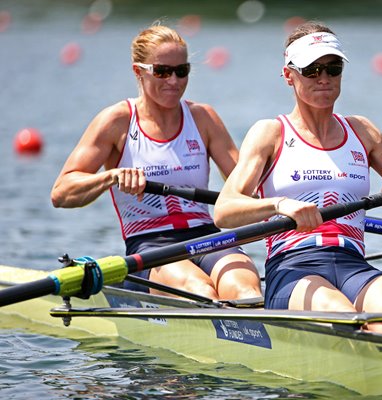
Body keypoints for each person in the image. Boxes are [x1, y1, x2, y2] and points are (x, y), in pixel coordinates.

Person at [214, 21, 382, 341]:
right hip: (293, 269)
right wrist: (280, 204)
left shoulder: (362, 131)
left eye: (333, 68)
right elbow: (224, 211)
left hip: (353, 265)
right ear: (288, 75)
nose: (323, 78)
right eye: (311, 70)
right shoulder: (271, 133)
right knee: (342, 314)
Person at [51, 23, 262, 301]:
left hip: (208, 235)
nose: (173, 81)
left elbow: (245, 188)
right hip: (150, 244)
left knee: (245, 290)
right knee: (200, 291)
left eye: (181, 71)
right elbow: (61, 193)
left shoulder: (203, 118)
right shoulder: (116, 121)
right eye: (162, 71)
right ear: (138, 71)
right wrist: (111, 177)